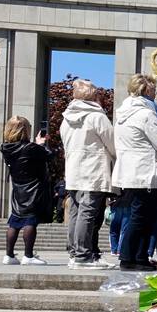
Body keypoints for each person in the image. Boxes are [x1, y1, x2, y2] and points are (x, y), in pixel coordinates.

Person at [111, 74, 157, 272]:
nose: (155, 94)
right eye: (154, 90)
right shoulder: (146, 114)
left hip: (131, 171)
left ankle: (139, 256)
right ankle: (129, 257)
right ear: (146, 91)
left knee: (142, 215)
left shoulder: (123, 114)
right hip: (146, 172)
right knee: (142, 216)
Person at [60, 78, 116, 269]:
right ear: (93, 96)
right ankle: (83, 256)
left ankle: (75, 252)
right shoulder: (96, 117)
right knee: (88, 213)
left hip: (74, 170)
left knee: (76, 212)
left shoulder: (66, 119)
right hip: (93, 170)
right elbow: (113, 143)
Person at [0, 117, 52, 264]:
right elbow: (49, 156)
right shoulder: (31, 148)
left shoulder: (5, 147)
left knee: (15, 221)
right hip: (33, 188)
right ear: (25, 130)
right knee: (30, 221)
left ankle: (9, 255)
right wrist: (41, 144)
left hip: (18, 188)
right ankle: (28, 256)